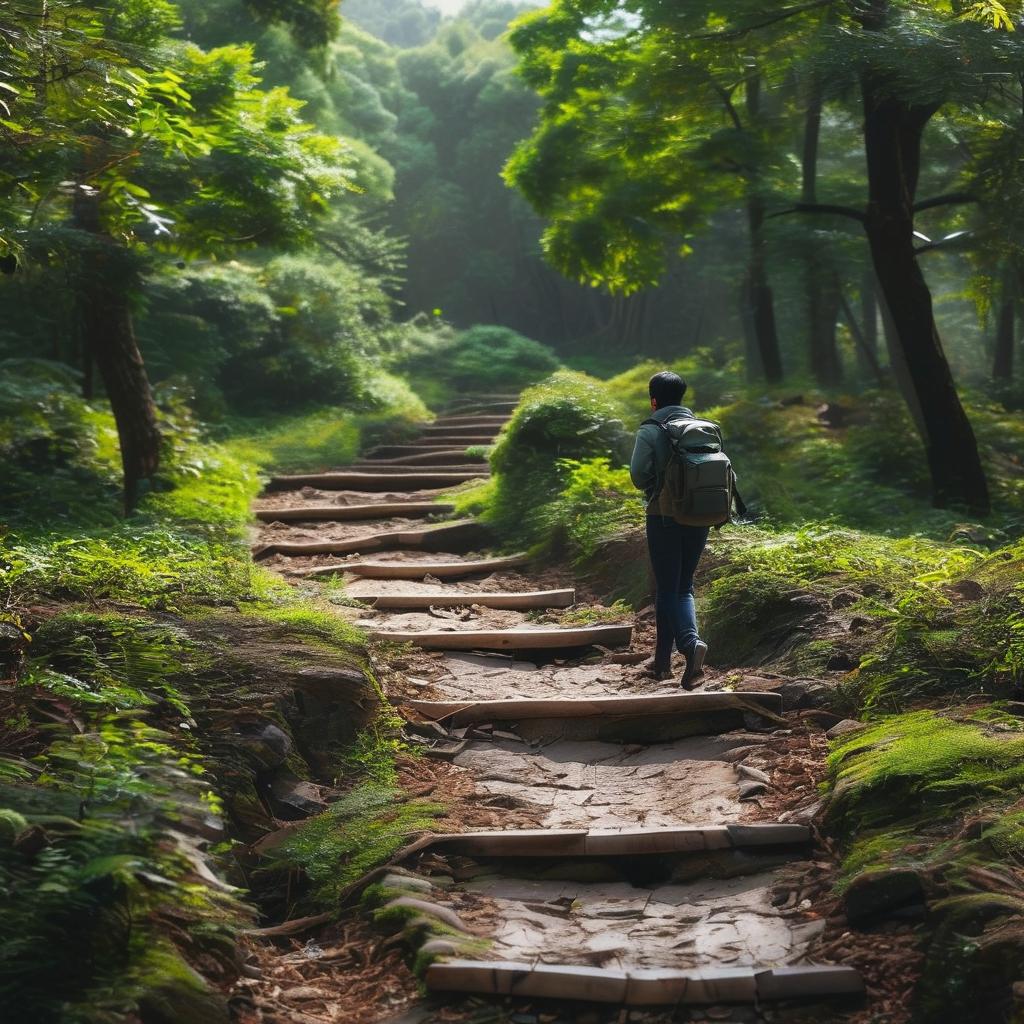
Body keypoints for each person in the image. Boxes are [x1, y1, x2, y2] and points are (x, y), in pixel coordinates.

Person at [629, 371, 709, 688]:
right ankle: (662, 662)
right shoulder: (703, 428)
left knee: (666, 588)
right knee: (683, 587)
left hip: (664, 516)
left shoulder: (651, 430)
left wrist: (657, 486)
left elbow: (637, 476)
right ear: (682, 398)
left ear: (653, 400)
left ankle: (689, 645)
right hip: (701, 516)